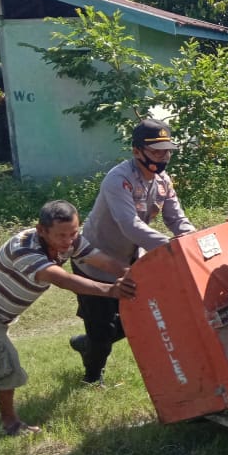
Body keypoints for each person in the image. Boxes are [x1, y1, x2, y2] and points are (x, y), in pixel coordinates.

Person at [0, 201, 135, 435]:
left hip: (0, 312)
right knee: (4, 358)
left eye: (73, 232)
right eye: (61, 235)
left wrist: (133, 273)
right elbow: (61, 279)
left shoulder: (71, 240)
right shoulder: (24, 247)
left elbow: (100, 259)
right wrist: (110, 290)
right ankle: (11, 425)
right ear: (41, 230)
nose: (69, 240)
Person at [69, 118, 195, 385]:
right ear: (137, 151)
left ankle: (89, 342)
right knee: (103, 331)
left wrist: (192, 240)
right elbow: (130, 224)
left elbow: (177, 219)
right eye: (156, 151)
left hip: (130, 262)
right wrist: (171, 250)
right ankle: (91, 379)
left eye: (167, 151)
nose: (163, 157)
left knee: (145, 315)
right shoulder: (119, 179)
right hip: (94, 262)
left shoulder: (162, 181)